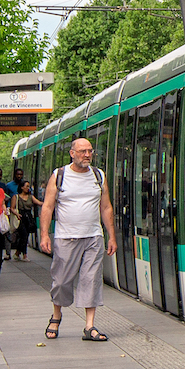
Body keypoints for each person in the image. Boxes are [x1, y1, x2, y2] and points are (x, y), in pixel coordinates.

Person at [39, 137, 117, 342]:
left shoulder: (98, 175)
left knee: (91, 279)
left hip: (93, 236)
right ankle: (56, 315)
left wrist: (111, 236)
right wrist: (44, 234)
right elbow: (47, 206)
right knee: (61, 281)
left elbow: (106, 207)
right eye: (83, 151)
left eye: (90, 151)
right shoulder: (59, 175)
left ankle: (89, 326)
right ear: (72, 153)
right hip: (66, 237)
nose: (87, 155)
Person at [13, 182, 38, 262]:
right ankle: (23, 254)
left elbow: (38, 202)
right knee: (23, 235)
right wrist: (16, 214)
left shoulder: (30, 197)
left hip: (28, 218)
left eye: (28, 186)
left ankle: (18, 253)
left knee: (26, 236)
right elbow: (12, 208)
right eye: (26, 186)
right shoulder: (16, 197)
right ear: (22, 187)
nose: (28, 188)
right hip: (20, 218)